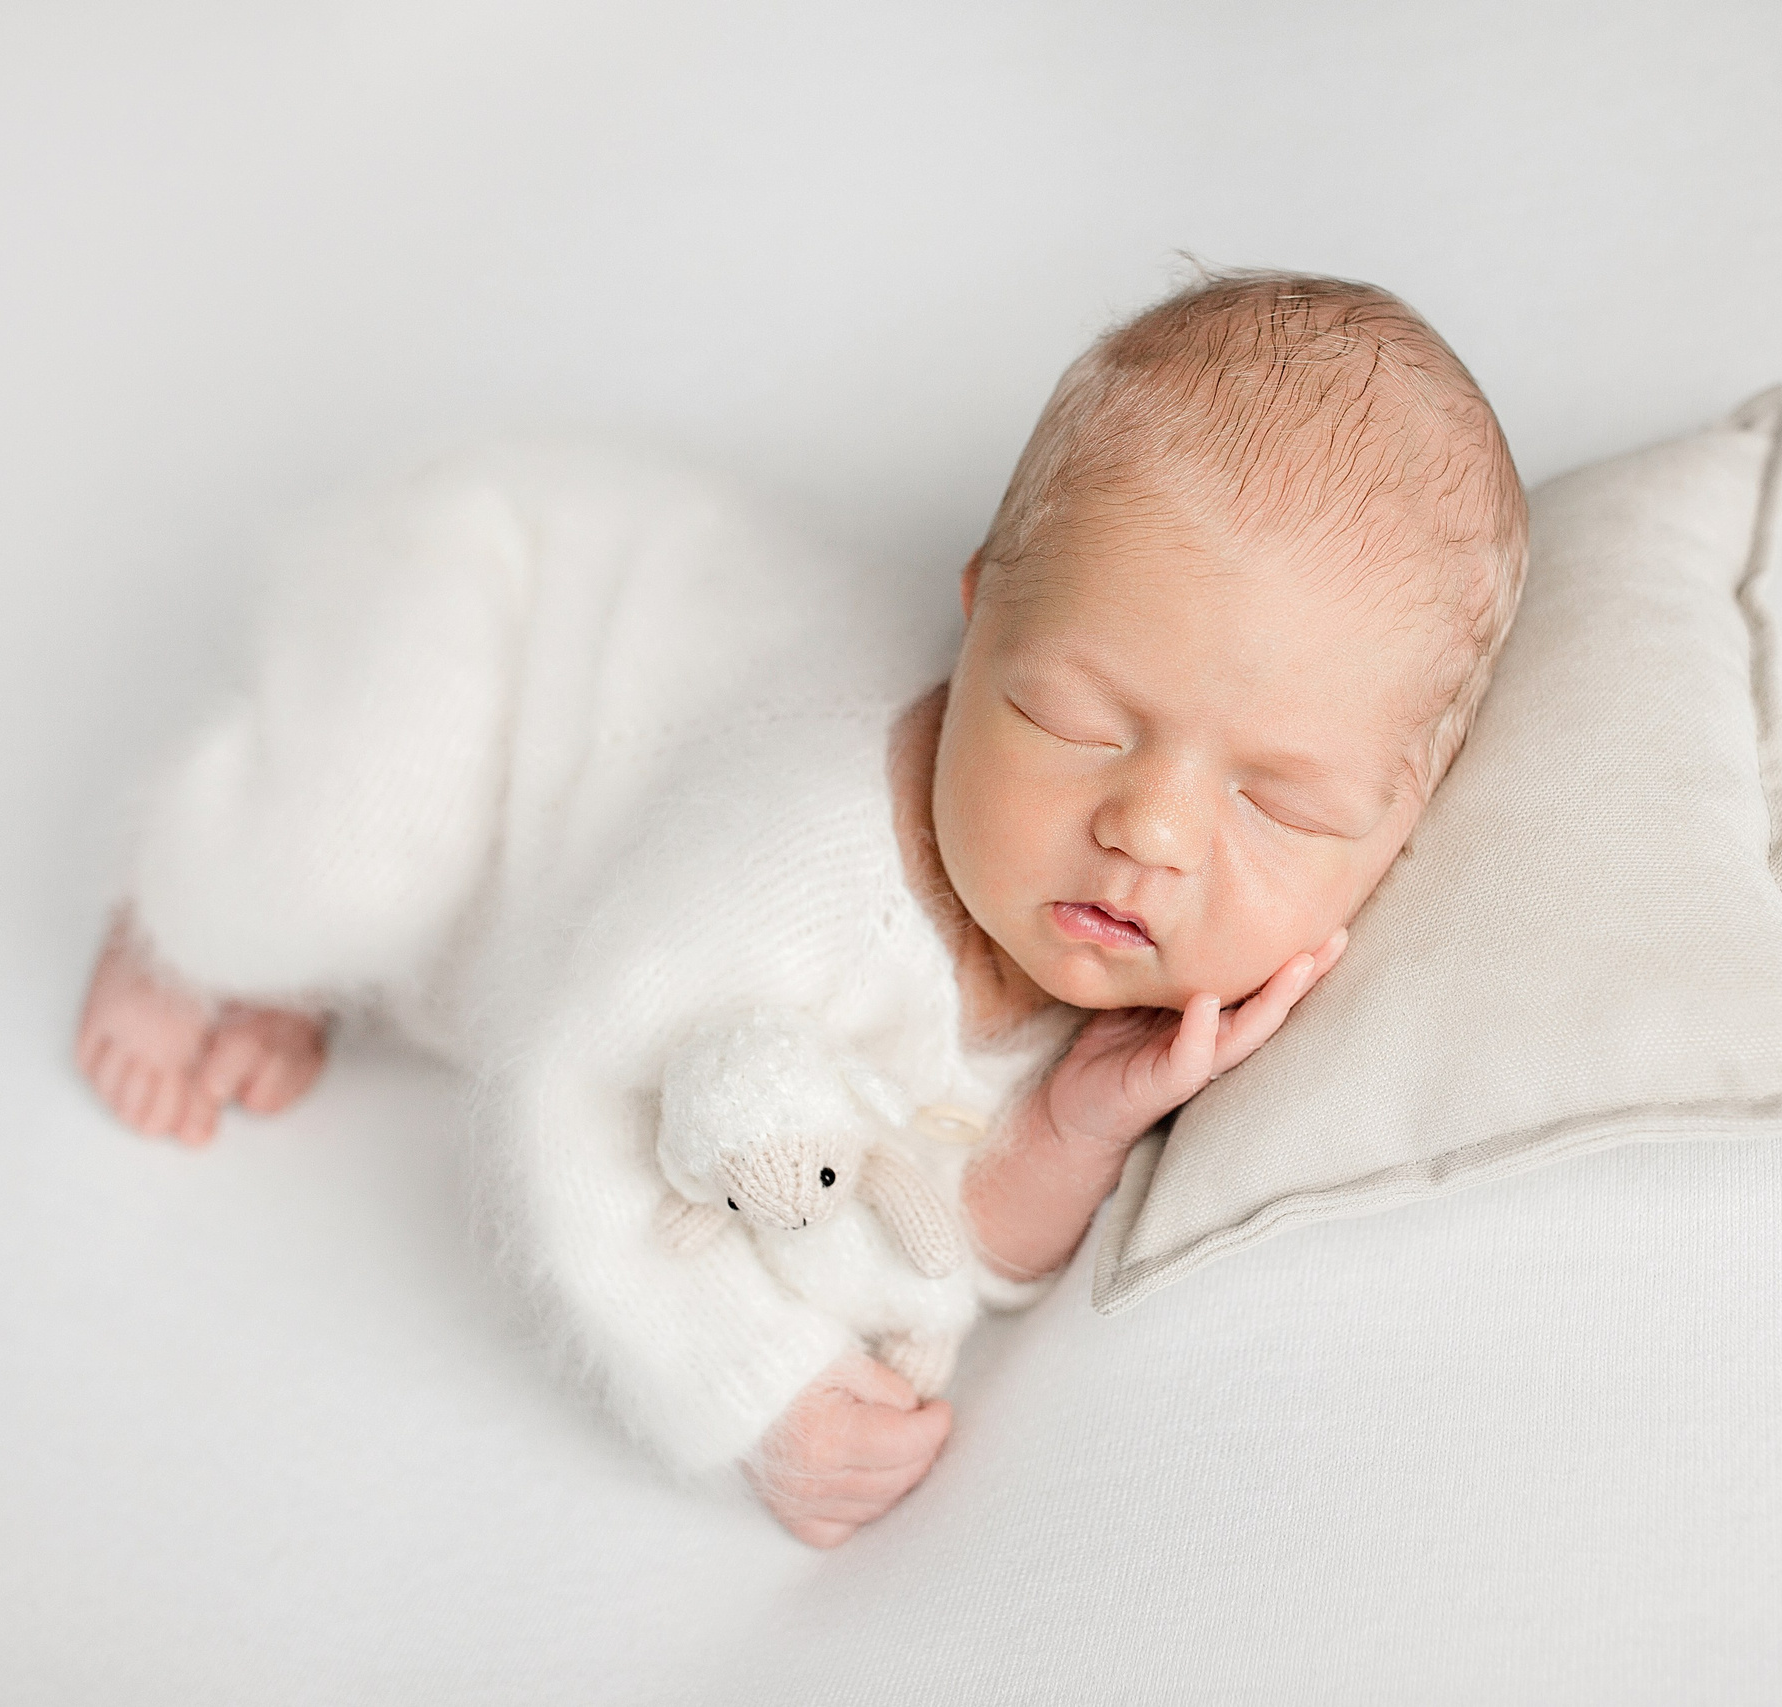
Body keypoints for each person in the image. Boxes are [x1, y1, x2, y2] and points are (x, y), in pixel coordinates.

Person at [74, 269, 1528, 1547]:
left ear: (1401, 822)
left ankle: (300, 961)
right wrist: (752, 1382)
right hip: (503, 602)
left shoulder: (1086, 924)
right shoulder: (795, 864)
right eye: (1073, 715)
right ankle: (173, 929)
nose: (1145, 826)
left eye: (1278, 804)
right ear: (979, 619)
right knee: (327, 863)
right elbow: (574, 1100)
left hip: (598, 753)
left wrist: (1074, 1129)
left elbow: (935, 1202)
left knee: (373, 905)